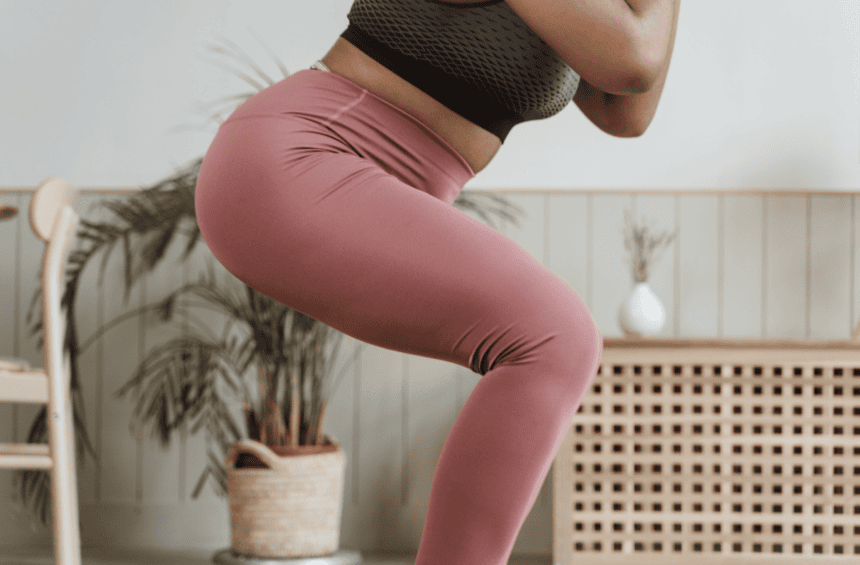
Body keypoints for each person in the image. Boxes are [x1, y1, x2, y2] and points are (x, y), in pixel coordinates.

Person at [195, 1, 680, 564]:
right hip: (298, 159)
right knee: (556, 339)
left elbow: (625, 112)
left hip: (339, 169)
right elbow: (635, 60)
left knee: (555, 340)